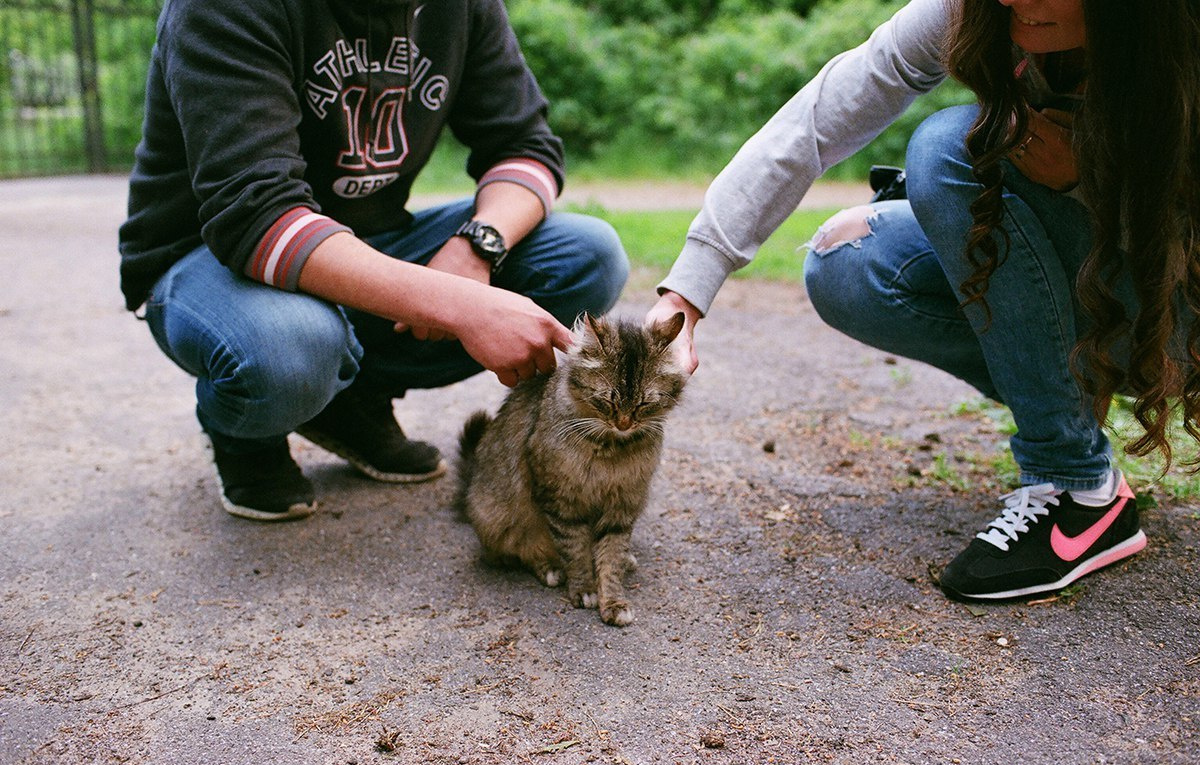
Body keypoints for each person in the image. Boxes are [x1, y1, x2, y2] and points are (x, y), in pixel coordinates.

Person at [647, 0, 1199, 601]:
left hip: (1170, 312)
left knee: (947, 148)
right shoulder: (972, 9)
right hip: (1082, 296)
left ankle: (1075, 487)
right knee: (850, 260)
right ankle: (1064, 409)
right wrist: (687, 291)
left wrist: (1097, 170)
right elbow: (816, 118)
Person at [118, 0, 628, 521]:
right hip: (211, 257)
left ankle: (348, 401)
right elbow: (256, 216)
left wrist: (478, 245)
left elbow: (525, 146)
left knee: (587, 256)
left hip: (368, 239)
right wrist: (459, 304)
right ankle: (245, 432)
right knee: (292, 347)